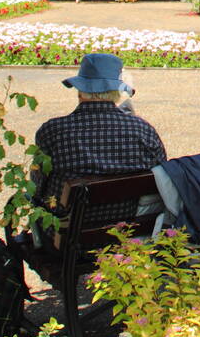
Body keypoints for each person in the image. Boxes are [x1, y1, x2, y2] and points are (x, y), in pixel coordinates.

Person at [28, 53, 166, 242]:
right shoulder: (143, 130)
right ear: (117, 92)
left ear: (79, 90)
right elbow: (162, 176)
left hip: (67, 240)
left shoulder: (53, 132)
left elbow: (37, 186)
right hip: (126, 235)